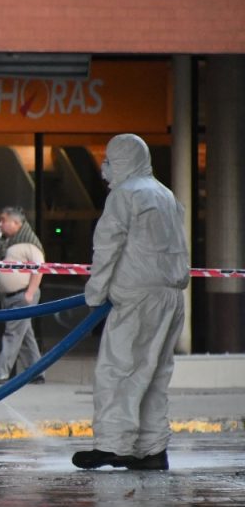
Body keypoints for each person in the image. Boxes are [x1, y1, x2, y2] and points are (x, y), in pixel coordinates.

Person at [72, 134, 189, 471]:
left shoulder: (126, 195)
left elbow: (107, 246)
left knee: (118, 371)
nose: (104, 169)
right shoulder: (165, 194)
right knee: (152, 376)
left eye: (109, 160)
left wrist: (95, 293)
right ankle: (151, 449)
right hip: (170, 297)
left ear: (125, 160)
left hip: (137, 298)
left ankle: (112, 445)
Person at [0, 206, 46, 384]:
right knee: (25, 334)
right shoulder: (7, 241)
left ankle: (0, 372)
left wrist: (30, 292)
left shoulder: (29, 243)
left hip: (22, 295)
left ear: (16, 223)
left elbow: (38, 268)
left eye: (4, 220)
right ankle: (37, 371)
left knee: (13, 333)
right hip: (10, 296)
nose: (0, 224)